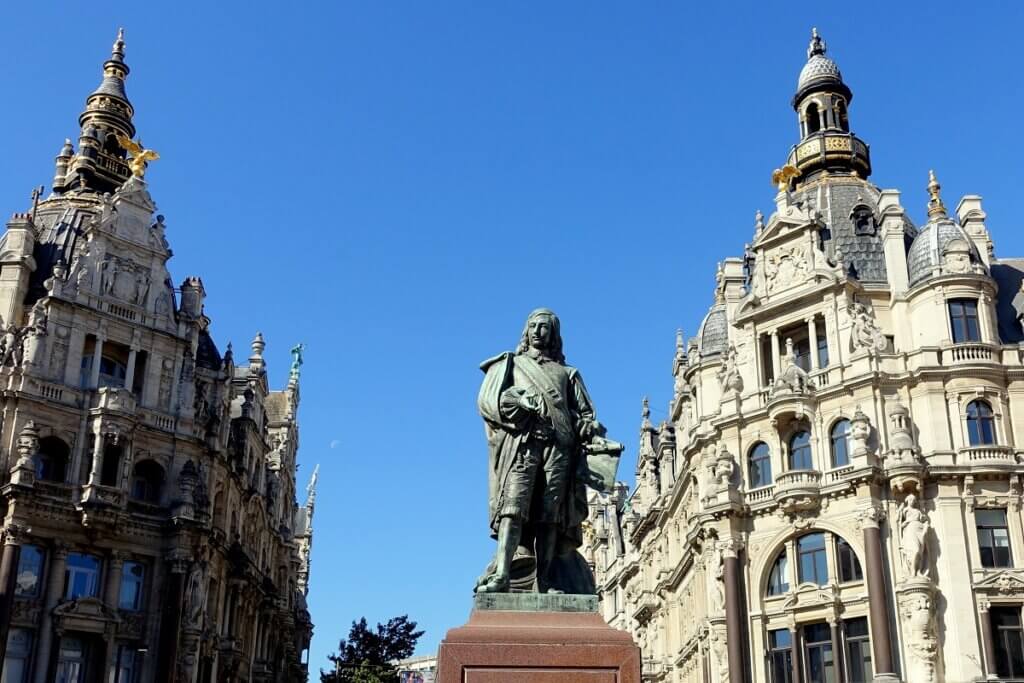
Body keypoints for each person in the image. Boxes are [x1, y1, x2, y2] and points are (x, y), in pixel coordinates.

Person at [475, 309, 609, 594]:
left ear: (554, 334)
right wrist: (518, 400)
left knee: (550, 516)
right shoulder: (512, 364)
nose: (538, 331)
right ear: (526, 331)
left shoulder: (568, 374)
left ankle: (545, 580)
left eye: (544, 327)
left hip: (559, 449)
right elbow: (491, 402)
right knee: (513, 508)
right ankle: (502, 574)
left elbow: (585, 415)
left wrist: (589, 428)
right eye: (533, 326)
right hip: (524, 446)